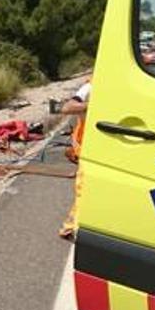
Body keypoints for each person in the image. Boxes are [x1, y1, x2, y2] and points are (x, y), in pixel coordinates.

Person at [60, 76, 92, 240]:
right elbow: (67, 107)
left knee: (88, 188)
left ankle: (72, 226)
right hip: (86, 147)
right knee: (83, 188)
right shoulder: (91, 87)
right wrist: (94, 105)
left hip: (103, 146)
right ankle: (71, 227)